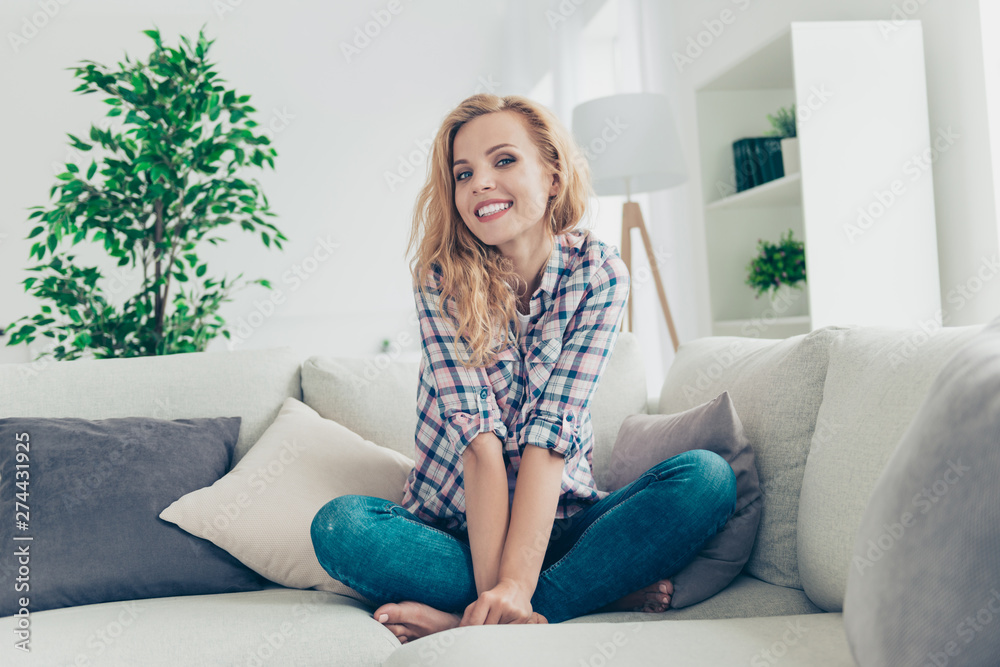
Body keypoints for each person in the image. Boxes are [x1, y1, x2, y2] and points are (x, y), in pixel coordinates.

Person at [310, 93, 737, 643]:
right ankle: (567, 599)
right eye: (464, 173)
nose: (480, 182)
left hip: (560, 529)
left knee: (706, 478)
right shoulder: (439, 278)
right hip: (456, 535)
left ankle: (476, 619)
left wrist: (514, 587)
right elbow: (480, 444)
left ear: (553, 175)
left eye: (504, 161)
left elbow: (549, 439)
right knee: (340, 527)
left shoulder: (599, 272)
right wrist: (503, 587)